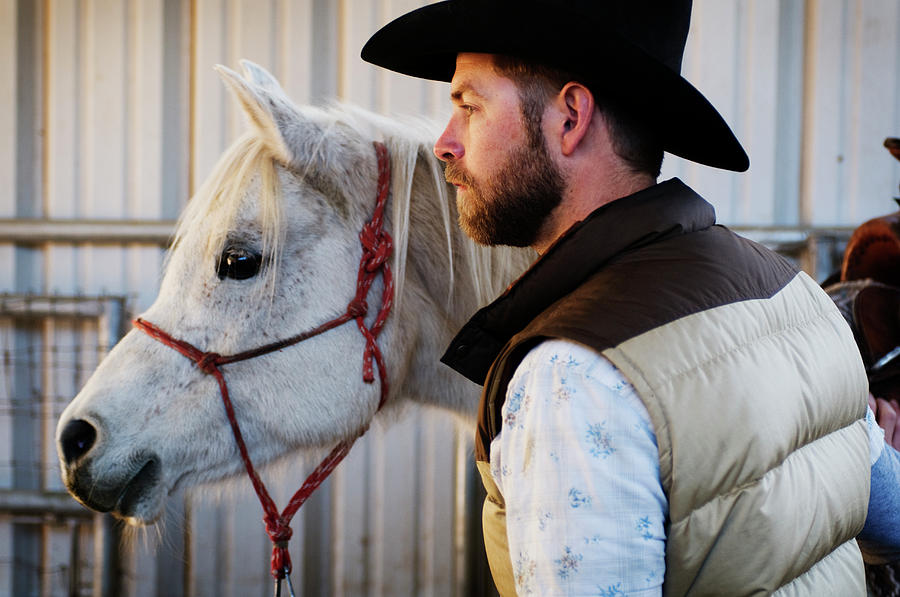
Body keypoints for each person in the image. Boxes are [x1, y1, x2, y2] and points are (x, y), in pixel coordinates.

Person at [362, 1, 900, 594]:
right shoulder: (797, 296)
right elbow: (891, 523)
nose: (445, 142)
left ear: (570, 117)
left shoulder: (575, 377)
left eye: (469, 105)